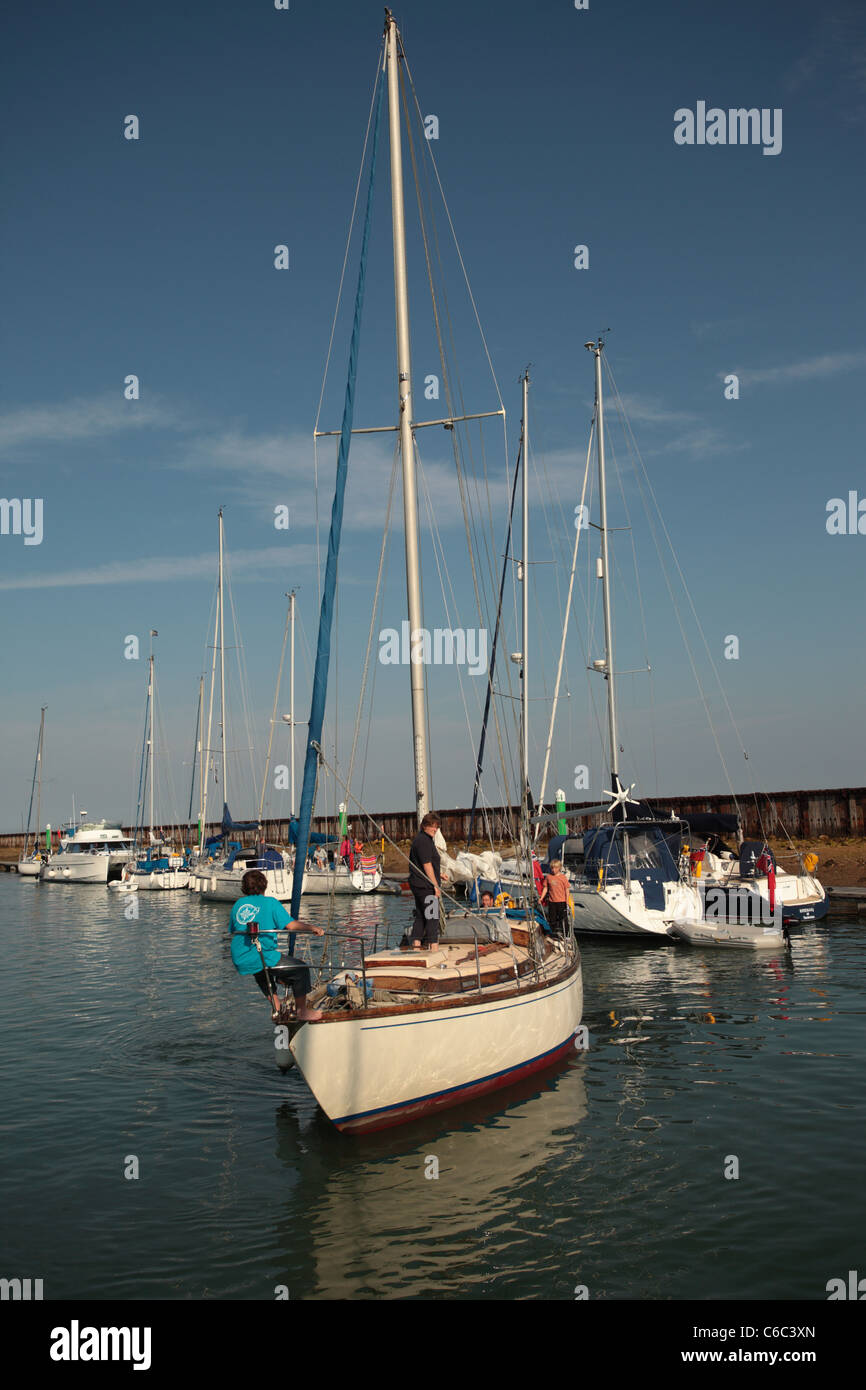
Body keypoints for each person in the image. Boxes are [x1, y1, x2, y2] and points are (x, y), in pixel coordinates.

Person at [229, 869, 324, 1021]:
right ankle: (302, 1011)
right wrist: (312, 928)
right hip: (262, 953)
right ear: (264, 885)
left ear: (244, 887)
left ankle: (277, 1007)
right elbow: (291, 926)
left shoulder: (238, 904)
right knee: (301, 969)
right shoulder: (270, 902)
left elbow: (234, 930)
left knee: (261, 973)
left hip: (240, 956)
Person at [407, 811, 442, 950]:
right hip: (426, 886)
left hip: (419, 885)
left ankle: (416, 946)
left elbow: (425, 864)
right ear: (424, 826)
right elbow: (427, 865)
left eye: (437, 827)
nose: (435, 829)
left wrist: (441, 874)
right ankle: (434, 948)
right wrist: (435, 886)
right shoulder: (424, 841)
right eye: (432, 826)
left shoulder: (422, 840)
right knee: (432, 916)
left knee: (421, 915)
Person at [541, 859, 569, 937]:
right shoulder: (548, 877)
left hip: (561, 901)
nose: (554, 870)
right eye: (552, 868)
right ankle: (553, 934)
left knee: (563, 919)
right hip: (552, 901)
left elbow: (567, 890)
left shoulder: (563, 877)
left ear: (559, 868)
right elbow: (545, 888)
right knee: (552, 919)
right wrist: (541, 898)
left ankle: (565, 935)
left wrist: (567, 901)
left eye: (556, 868)